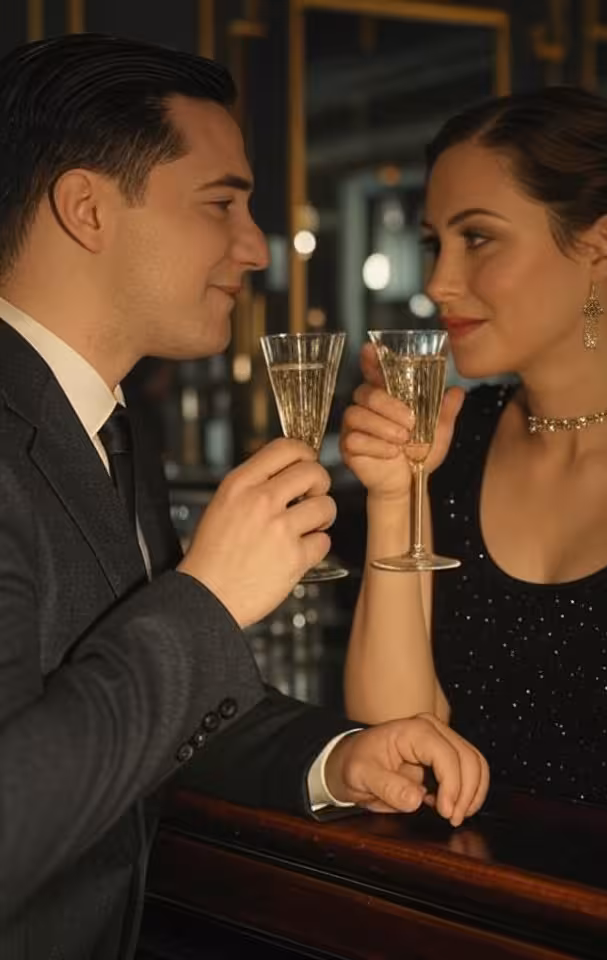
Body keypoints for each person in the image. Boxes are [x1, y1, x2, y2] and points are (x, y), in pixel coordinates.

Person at [0, 34, 490, 960]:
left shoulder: (103, 425)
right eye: (221, 202)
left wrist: (335, 761)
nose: (257, 247)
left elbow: (143, 717)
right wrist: (210, 599)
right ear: (86, 208)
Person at [340, 86, 607, 829]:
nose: (437, 282)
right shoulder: (454, 438)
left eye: (477, 237)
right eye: (434, 242)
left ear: (600, 248)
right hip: (449, 910)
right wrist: (398, 493)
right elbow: (400, 751)